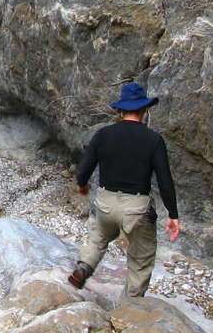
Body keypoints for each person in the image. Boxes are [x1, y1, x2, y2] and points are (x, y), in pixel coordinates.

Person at [69, 82, 182, 297]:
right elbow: (165, 180)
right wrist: (173, 214)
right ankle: (130, 306)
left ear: (121, 109)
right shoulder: (154, 140)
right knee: (141, 259)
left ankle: (84, 267)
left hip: (106, 202)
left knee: (99, 238)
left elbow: (83, 169)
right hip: (136, 208)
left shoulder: (104, 134)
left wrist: (82, 186)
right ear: (144, 109)